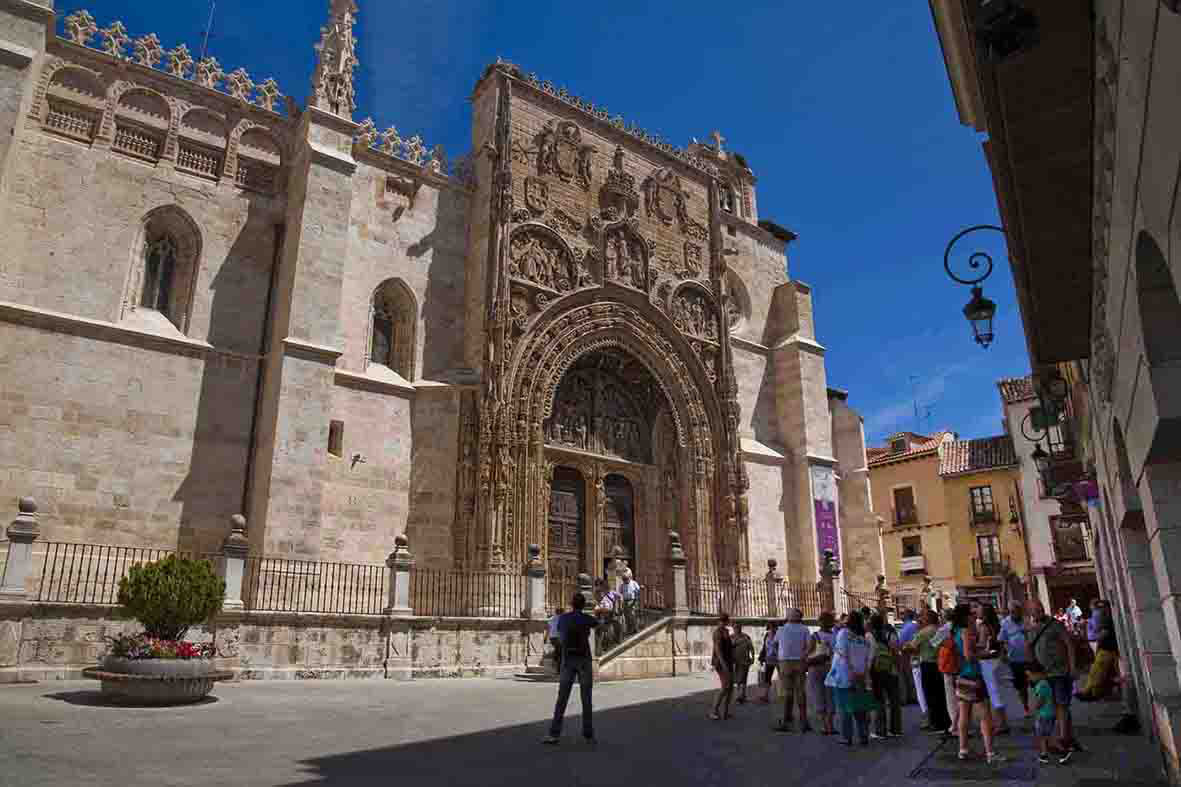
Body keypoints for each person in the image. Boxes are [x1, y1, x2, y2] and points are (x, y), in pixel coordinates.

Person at [1027, 598, 1081, 760]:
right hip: (1043, 675)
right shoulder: (1031, 629)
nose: (1039, 612)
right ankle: (1058, 740)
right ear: (1030, 613)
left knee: (1061, 704)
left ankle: (1063, 738)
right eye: (1035, 610)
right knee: (1048, 708)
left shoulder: (1055, 624)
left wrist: (1072, 667)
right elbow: (1030, 650)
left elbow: (1069, 644)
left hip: (1060, 672)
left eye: (1040, 608)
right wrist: (1031, 671)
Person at [543, 593, 600, 745]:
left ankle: (554, 734)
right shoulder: (586, 618)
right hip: (584, 660)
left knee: (562, 698)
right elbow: (598, 624)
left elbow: (561, 635)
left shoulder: (563, 618)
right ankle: (588, 735)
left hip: (568, 660)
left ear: (572, 604)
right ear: (582, 605)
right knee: (586, 699)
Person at [952, 603, 1005, 764]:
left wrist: (979, 647)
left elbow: (964, 651)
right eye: (971, 614)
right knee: (984, 716)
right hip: (973, 676)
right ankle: (990, 753)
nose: (974, 616)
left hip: (961, 676)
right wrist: (985, 653)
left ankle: (963, 749)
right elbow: (969, 655)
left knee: (964, 714)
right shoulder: (967, 631)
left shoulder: (956, 632)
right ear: (965, 616)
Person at [826, 609, 874, 746]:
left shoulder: (843, 634)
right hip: (860, 675)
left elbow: (843, 654)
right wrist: (862, 674)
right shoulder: (863, 639)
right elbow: (866, 659)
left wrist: (851, 671)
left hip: (844, 676)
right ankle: (863, 735)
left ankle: (846, 737)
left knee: (844, 708)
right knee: (860, 708)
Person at [908, 609, 951, 735]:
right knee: (941, 694)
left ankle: (936, 723)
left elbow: (912, 646)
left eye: (923, 616)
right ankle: (945, 721)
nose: (921, 618)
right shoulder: (940, 630)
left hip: (927, 665)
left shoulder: (924, 632)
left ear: (927, 619)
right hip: (940, 664)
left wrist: (905, 647)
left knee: (930, 695)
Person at [774, 608, 811, 732]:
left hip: (784, 662)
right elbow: (810, 646)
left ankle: (786, 720)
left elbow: (774, 644)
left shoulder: (781, 629)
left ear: (789, 616)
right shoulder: (805, 629)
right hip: (799, 661)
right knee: (801, 691)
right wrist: (804, 656)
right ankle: (804, 721)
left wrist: (779, 656)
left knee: (787, 691)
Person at [868, 612, 902, 739]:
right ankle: (896, 729)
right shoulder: (890, 634)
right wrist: (897, 668)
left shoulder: (869, 636)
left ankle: (880, 730)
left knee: (879, 700)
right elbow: (895, 652)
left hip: (876, 671)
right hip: (891, 669)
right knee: (894, 700)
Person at [978, 603, 1011, 735]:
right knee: (997, 693)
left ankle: (1001, 724)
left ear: (984, 613)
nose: (977, 611)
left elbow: (982, 644)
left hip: (988, 662)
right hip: (997, 660)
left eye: (979, 610)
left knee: (993, 693)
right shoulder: (997, 625)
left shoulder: (983, 627)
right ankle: (1002, 722)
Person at [1077, 601, 1119, 701]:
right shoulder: (1107, 619)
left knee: (1097, 672)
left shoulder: (1106, 621)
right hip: (1106, 649)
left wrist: (1093, 638)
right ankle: (1092, 692)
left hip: (1107, 649)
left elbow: (1103, 634)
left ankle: (1090, 692)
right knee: (1099, 672)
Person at [998, 601, 1030, 717]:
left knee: (1036, 682)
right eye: (1011, 612)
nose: (1013, 614)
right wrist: (1003, 654)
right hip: (1015, 658)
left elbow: (1033, 634)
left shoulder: (1027, 620)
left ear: (1020, 611)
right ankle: (1025, 706)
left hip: (1029, 657)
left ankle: (1042, 705)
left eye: (1015, 611)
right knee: (1021, 686)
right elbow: (1001, 640)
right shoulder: (1005, 623)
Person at [807, 612, 837, 735]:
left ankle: (824, 725)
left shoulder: (815, 636)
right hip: (831, 668)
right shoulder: (836, 636)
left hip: (816, 668)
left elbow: (808, 652)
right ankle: (830, 725)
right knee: (831, 696)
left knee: (818, 695)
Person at [932, 608, 960, 735]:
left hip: (948, 664)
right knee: (961, 696)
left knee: (951, 697)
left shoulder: (944, 629)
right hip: (960, 664)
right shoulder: (960, 627)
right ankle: (961, 723)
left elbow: (934, 643)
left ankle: (955, 725)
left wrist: (946, 644)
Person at [1029, 662, 1056, 765]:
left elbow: (1041, 700)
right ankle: (1046, 752)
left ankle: (1045, 754)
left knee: (1042, 735)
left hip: (1044, 715)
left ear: (1038, 674)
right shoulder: (1046, 683)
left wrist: (1035, 708)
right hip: (1049, 713)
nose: (1030, 678)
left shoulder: (1041, 685)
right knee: (1046, 734)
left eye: (1030, 676)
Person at [710, 613, 735, 720]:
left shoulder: (725, 631)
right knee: (725, 687)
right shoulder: (717, 633)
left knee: (730, 688)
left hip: (728, 662)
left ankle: (725, 711)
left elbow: (727, 647)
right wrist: (723, 664)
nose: (723, 623)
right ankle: (714, 711)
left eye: (724, 621)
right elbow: (718, 650)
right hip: (721, 663)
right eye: (723, 621)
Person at [732, 622, 755, 703]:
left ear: (741, 628)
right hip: (735, 661)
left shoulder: (746, 637)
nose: (737, 629)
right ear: (733, 628)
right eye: (735, 627)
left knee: (744, 679)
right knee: (737, 679)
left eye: (738, 627)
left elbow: (751, 647)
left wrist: (753, 657)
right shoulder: (731, 637)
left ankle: (743, 695)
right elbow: (728, 648)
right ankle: (738, 695)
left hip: (745, 661)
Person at [757, 623, 779, 704]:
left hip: (778, 659)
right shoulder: (767, 635)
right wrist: (761, 658)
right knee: (767, 678)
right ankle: (765, 696)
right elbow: (764, 647)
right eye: (770, 628)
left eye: (773, 627)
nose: (772, 629)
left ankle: (784, 695)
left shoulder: (779, 635)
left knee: (782, 677)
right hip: (769, 659)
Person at [620, 570, 641, 636]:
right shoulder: (622, 585)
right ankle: (629, 630)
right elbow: (620, 593)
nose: (625, 580)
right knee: (626, 616)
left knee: (633, 615)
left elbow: (638, 591)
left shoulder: (634, 583)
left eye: (626, 579)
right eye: (624, 579)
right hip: (625, 601)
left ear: (629, 578)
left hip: (632, 601)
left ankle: (635, 629)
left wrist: (636, 600)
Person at [548, 606, 564, 673]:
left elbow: (548, 628)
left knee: (558, 651)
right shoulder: (563, 618)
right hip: (559, 637)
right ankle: (559, 669)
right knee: (561, 652)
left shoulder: (551, 618)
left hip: (552, 637)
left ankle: (556, 664)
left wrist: (546, 638)